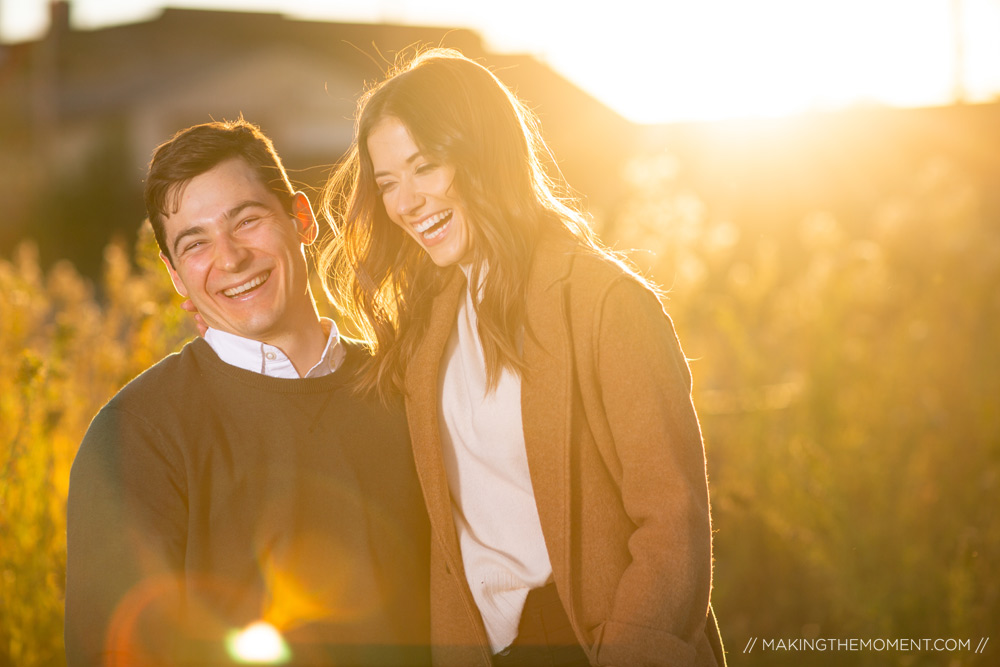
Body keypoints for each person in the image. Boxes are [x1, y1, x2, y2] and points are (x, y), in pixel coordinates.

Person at [319, 48, 725, 667]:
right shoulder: (427, 323)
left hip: (596, 643)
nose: (405, 203)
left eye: (424, 167)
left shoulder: (605, 302)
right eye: (387, 183)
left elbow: (673, 522)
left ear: (483, 154)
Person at [65, 119, 430, 666]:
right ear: (174, 275)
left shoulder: (409, 384)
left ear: (300, 219)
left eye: (248, 220)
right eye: (195, 244)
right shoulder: (135, 435)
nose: (230, 258)